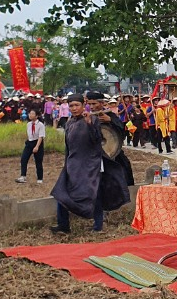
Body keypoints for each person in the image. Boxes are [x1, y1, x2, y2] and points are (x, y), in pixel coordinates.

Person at [50, 92, 109, 234]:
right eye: (71, 106)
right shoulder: (69, 122)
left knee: (93, 194)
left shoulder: (92, 119)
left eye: (77, 105)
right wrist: (66, 163)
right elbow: (68, 146)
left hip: (89, 164)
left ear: (83, 106)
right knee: (61, 193)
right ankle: (63, 226)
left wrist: (90, 125)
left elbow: (98, 140)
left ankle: (98, 225)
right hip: (72, 164)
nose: (74, 108)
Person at [16, 108, 47, 184]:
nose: (30, 115)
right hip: (29, 142)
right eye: (30, 113)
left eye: (32, 114)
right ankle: (23, 176)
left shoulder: (40, 125)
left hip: (38, 142)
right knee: (24, 159)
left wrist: (36, 146)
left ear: (36, 116)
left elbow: (41, 136)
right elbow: (29, 134)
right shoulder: (28, 124)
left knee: (38, 161)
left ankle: (40, 178)